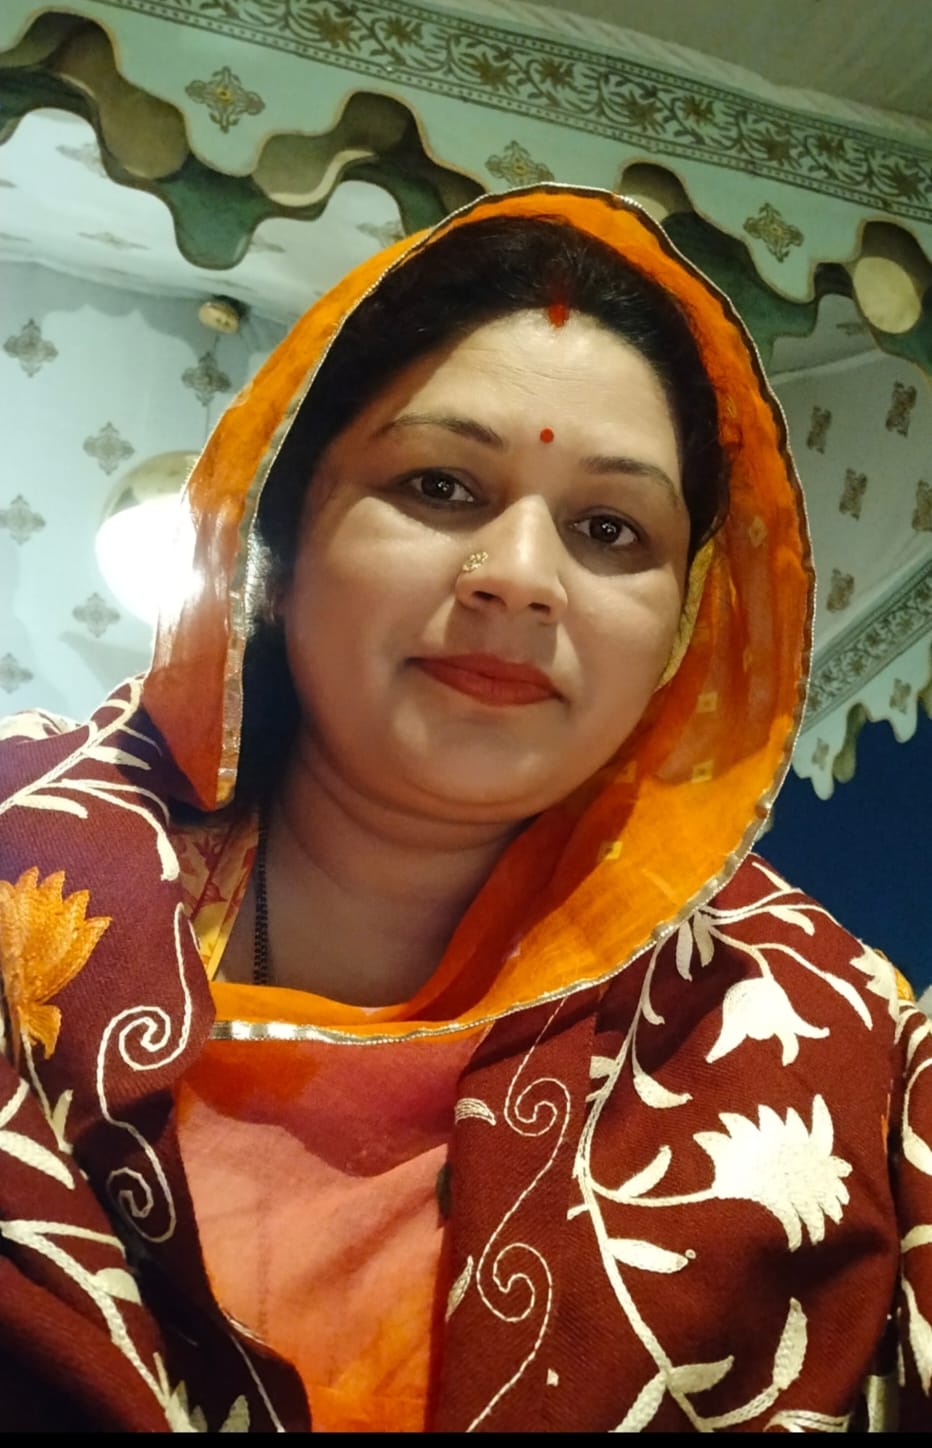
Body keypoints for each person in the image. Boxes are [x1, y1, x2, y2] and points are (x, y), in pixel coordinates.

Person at [0, 185, 930, 1434]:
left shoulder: (824, 1036)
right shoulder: (24, 851)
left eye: (609, 528)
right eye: (439, 485)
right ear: (274, 556)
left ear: (678, 633)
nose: (521, 580)